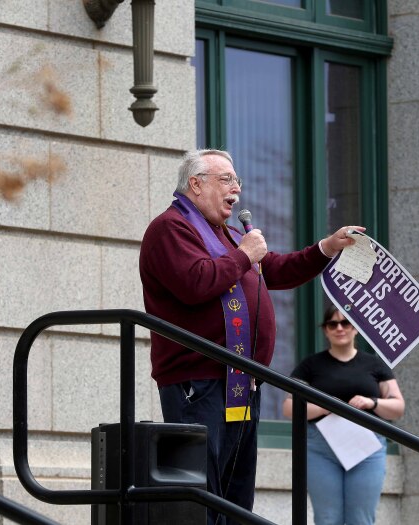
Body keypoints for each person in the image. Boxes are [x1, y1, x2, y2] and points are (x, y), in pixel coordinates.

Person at [139, 148, 362, 524]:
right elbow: (196, 283)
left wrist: (327, 248)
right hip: (200, 382)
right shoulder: (170, 228)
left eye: (237, 181)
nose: (236, 191)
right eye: (226, 180)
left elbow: (274, 269)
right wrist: (244, 254)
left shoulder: (221, 234)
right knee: (203, 494)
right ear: (196, 184)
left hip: (240, 381)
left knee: (235, 494)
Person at [282, 305, 405, 525]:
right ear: (325, 330)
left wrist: (372, 402)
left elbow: (398, 406)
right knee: (328, 518)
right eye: (332, 324)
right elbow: (289, 407)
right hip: (321, 447)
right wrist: (325, 406)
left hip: (366, 446)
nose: (339, 328)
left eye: (345, 323)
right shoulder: (310, 365)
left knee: (361, 518)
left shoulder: (374, 364)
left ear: (356, 329)